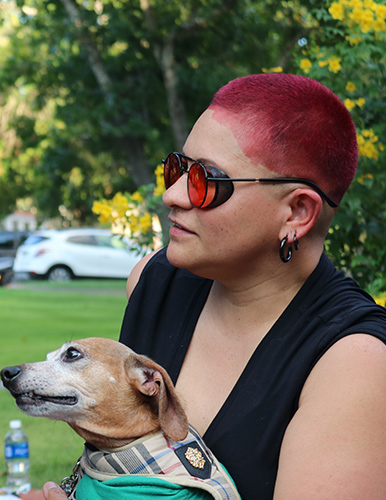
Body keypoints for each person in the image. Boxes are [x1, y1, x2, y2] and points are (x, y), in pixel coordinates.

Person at [42, 73, 386, 500]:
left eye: (208, 181)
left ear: (297, 212)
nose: (173, 194)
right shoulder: (153, 283)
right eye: (177, 168)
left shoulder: (355, 362)